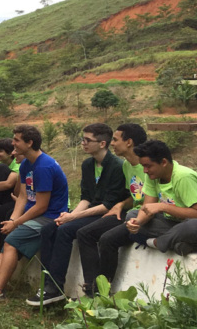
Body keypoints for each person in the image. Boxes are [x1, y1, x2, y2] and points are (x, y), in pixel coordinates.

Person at [27, 123, 126, 306]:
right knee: (50, 228)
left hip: (107, 214)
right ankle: (47, 283)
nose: (83, 143)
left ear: (102, 143)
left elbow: (107, 205)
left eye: (87, 140)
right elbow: (86, 198)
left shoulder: (117, 166)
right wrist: (69, 215)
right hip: (90, 211)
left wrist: (73, 217)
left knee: (66, 230)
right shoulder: (88, 165)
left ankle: (55, 288)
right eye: (83, 139)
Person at [0, 125, 68, 303]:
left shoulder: (44, 166)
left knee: (11, 242)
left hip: (50, 217)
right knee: (9, 242)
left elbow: (41, 206)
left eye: (16, 140)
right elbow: (23, 196)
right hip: (34, 214)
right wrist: (13, 219)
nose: (13, 143)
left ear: (29, 143)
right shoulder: (26, 164)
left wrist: (16, 223)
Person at [92, 140, 197, 292]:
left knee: (192, 226)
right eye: (143, 166)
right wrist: (137, 222)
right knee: (132, 214)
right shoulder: (153, 176)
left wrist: (163, 206)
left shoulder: (183, 177)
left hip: (189, 225)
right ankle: (176, 243)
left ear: (164, 162)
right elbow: (147, 208)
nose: (145, 171)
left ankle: (159, 242)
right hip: (171, 225)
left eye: (148, 166)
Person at [76, 123, 147, 296]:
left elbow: (153, 198)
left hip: (146, 216)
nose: (112, 143)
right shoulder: (127, 166)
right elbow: (136, 195)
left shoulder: (148, 166)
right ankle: (92, 288)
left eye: (115, 140)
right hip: (131, 212)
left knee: (108, 239)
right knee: (85, 233)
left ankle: (101, 292)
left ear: (129, 142)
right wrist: (122, 204)